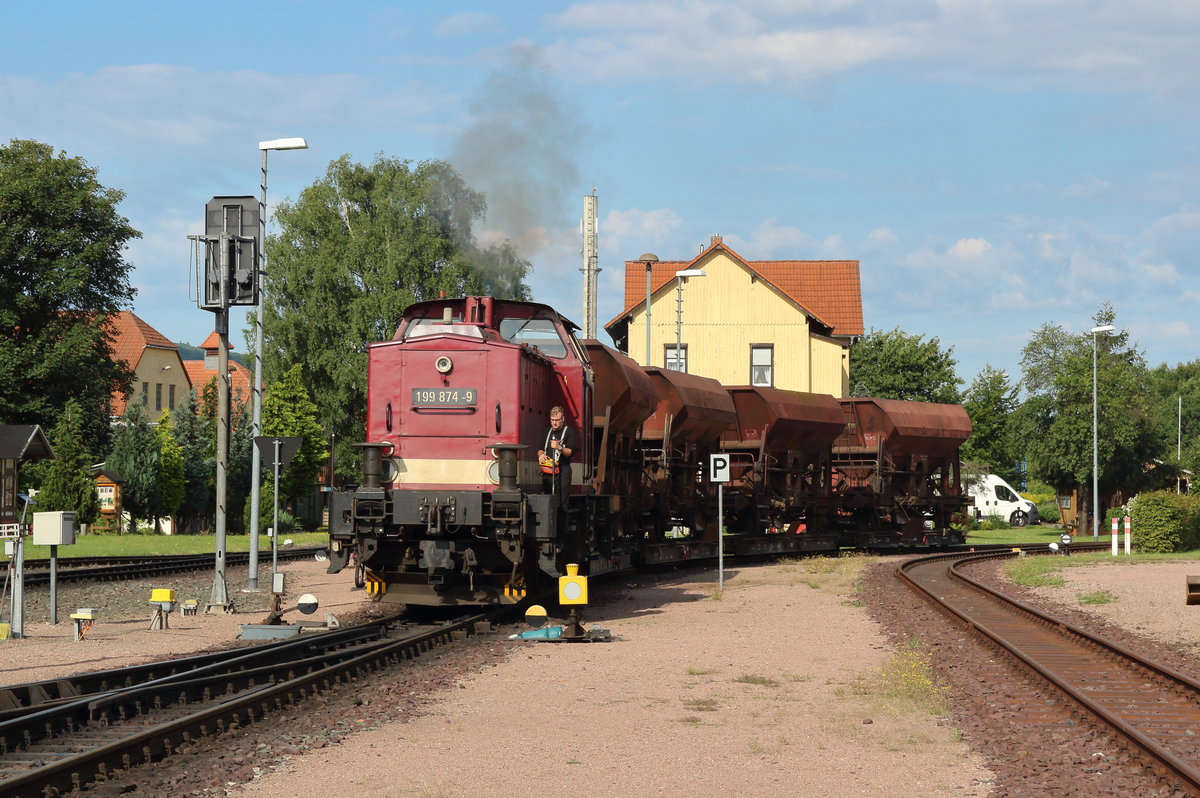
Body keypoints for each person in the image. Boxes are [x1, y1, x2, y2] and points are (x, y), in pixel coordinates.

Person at [537, 406, 575, 504]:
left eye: (557, 420)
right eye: (552, 420)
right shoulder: (547, 431)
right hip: (548, 471)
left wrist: (560, 447)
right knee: (548, 501)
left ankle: (561, 518)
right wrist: (541, 455)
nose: (554, 423)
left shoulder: (569, 432)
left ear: (563, 419)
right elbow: (540, 449)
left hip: (562, 470)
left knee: (562, 502)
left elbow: (571, 452)